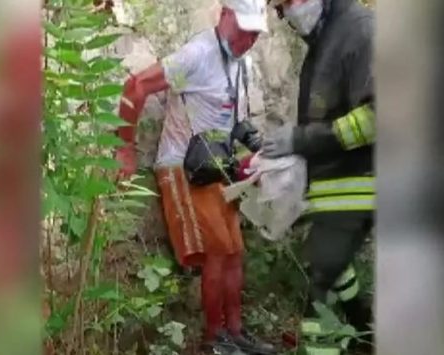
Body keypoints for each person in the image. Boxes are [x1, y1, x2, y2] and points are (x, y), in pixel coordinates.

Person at [115, 0, 274, 354]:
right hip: (183, 167)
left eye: (255, 33)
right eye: (244, 29)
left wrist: (255, 158)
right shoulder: (198, 55)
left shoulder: (240, 63)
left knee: (234, 252)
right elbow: (136, 86)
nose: (249, 39)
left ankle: (235, 334)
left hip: (215, 169)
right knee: (219, 252)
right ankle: (214, 341)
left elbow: (234, 123)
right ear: (224, 15)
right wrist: (124, 148)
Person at [263, 0, 375, 353]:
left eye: (287, 3)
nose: (285, 15)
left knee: (318, 297)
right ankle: (363, 332)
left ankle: (345, 339)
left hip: (360, 185)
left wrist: (300, 140)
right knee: (333, 269)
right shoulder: (323, 40)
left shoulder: (359, 30)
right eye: (279, 9)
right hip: (334, 189)